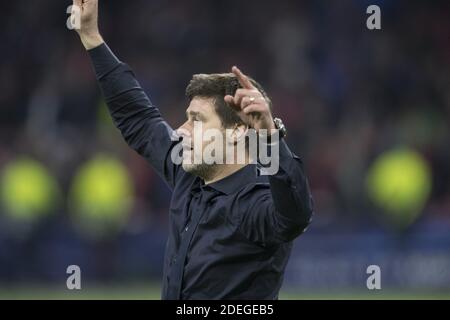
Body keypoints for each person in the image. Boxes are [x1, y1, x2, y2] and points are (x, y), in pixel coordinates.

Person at [71, 0, 314, 299]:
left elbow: (296, 215)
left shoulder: (257, 201)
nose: (182, 130)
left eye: (196, 120)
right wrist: (92, 38)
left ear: (237, 130)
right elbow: (139, 118)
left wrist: (269, 136)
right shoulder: (190, 176)